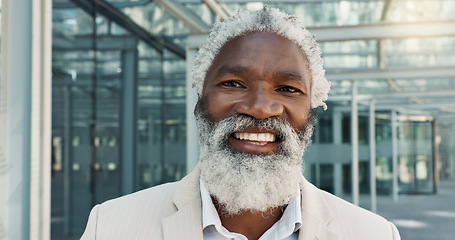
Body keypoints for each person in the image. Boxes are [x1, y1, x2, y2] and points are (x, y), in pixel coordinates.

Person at [81, 6, 400, 240]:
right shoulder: (109, 227)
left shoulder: (373, 234)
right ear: (198, 106)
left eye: (288, 89)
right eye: (233, 83)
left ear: (310, 115)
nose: (260, 108)